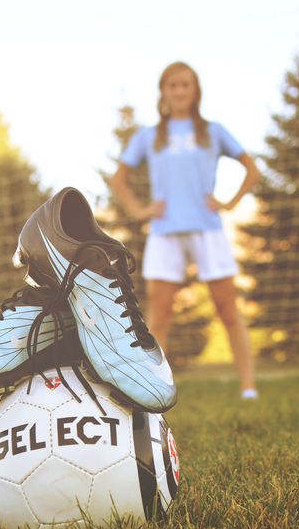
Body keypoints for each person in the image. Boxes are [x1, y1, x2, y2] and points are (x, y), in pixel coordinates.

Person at [110, 61, 261, 399]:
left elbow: (252, 169)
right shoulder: (149, 136)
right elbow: (118, 180)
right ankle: (153, 389)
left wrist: (230, 202)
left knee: (228, 310)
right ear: (163, 92)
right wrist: (139, 210)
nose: (179, 91)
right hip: (164, 232)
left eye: (185, 85)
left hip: (207, 230)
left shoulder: (215, 131)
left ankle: (249, 386)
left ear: (195, 92)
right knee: (159, 314)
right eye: (173, 85)